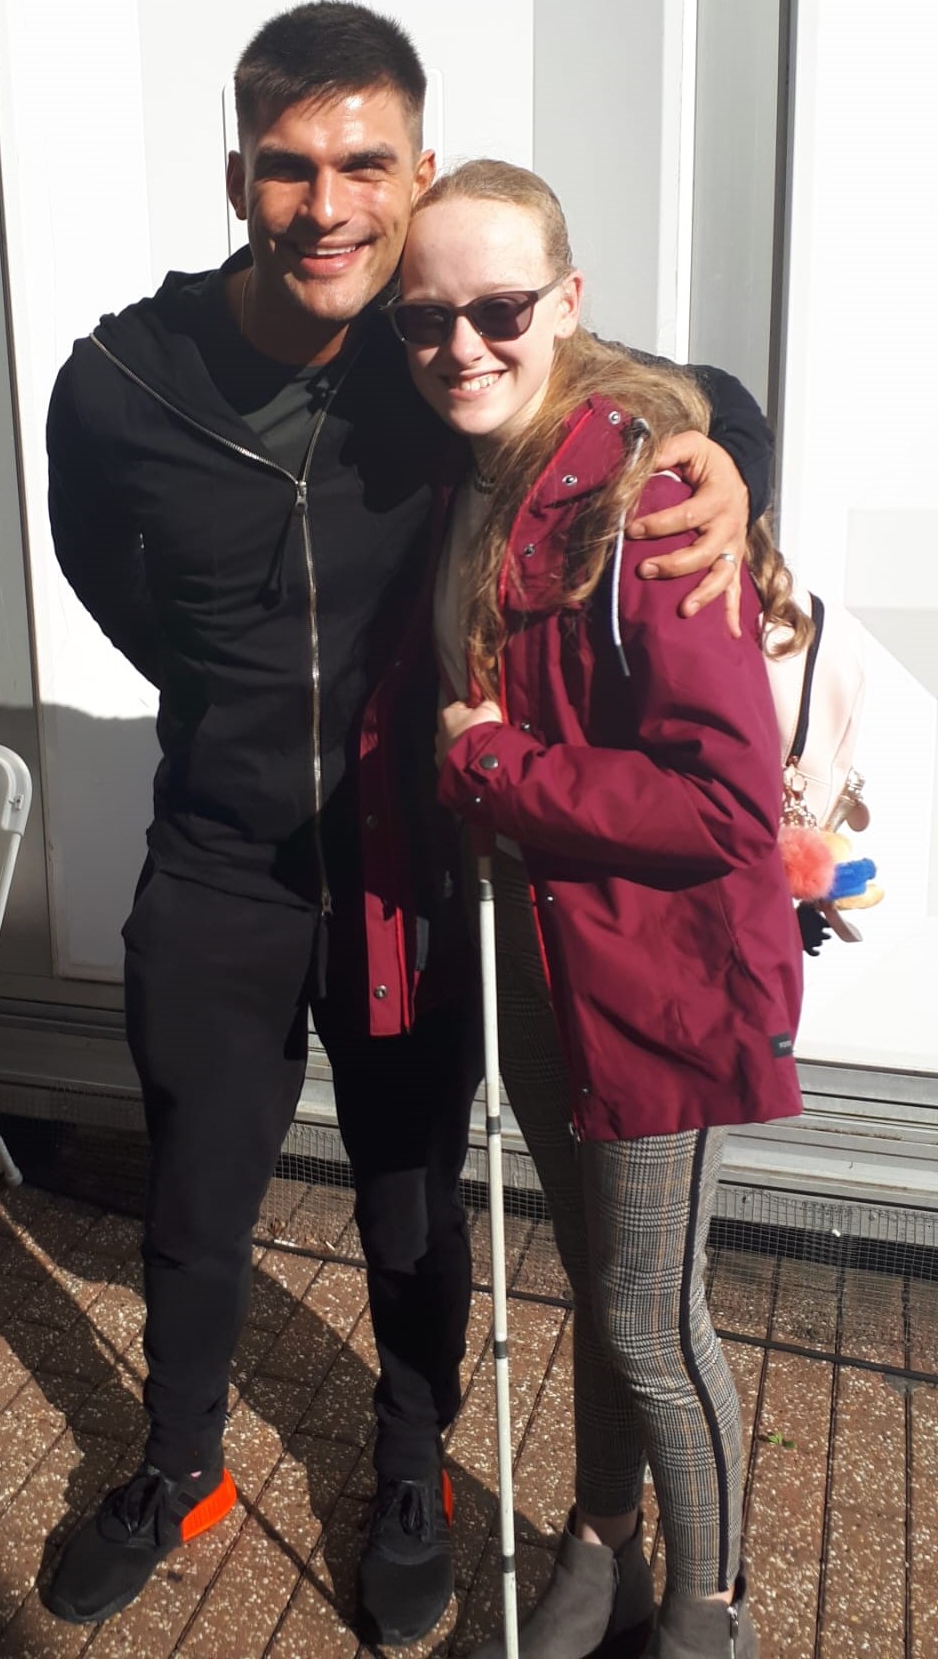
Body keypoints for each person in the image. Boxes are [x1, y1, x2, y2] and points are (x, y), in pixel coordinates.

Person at [43, 2, 775, 1643]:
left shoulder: (438, 344)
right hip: (221, 864)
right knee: (195, 1196)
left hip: (407, 874)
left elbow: (662, 388)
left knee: (409, 1195)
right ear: (236, 175)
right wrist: (230, 705)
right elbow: (112, 584)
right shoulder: (115, 383)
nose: (329, 205)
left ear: (417, 169)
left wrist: (729, 457)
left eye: (365, 163)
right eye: (290, 167)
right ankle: (178, 1467)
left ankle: (410, 1466)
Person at [393, 158, 804, 1658]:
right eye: (425, 319)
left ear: (567, 300)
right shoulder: (482, 461)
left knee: (648, 1313)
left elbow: (725, 803)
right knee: (602, 1289)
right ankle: (604, 1540)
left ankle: (713, 1605)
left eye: (499, 308)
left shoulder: (646, 486)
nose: (461, 345)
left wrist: (500, 770)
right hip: (540, 961)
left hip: (656, 977)